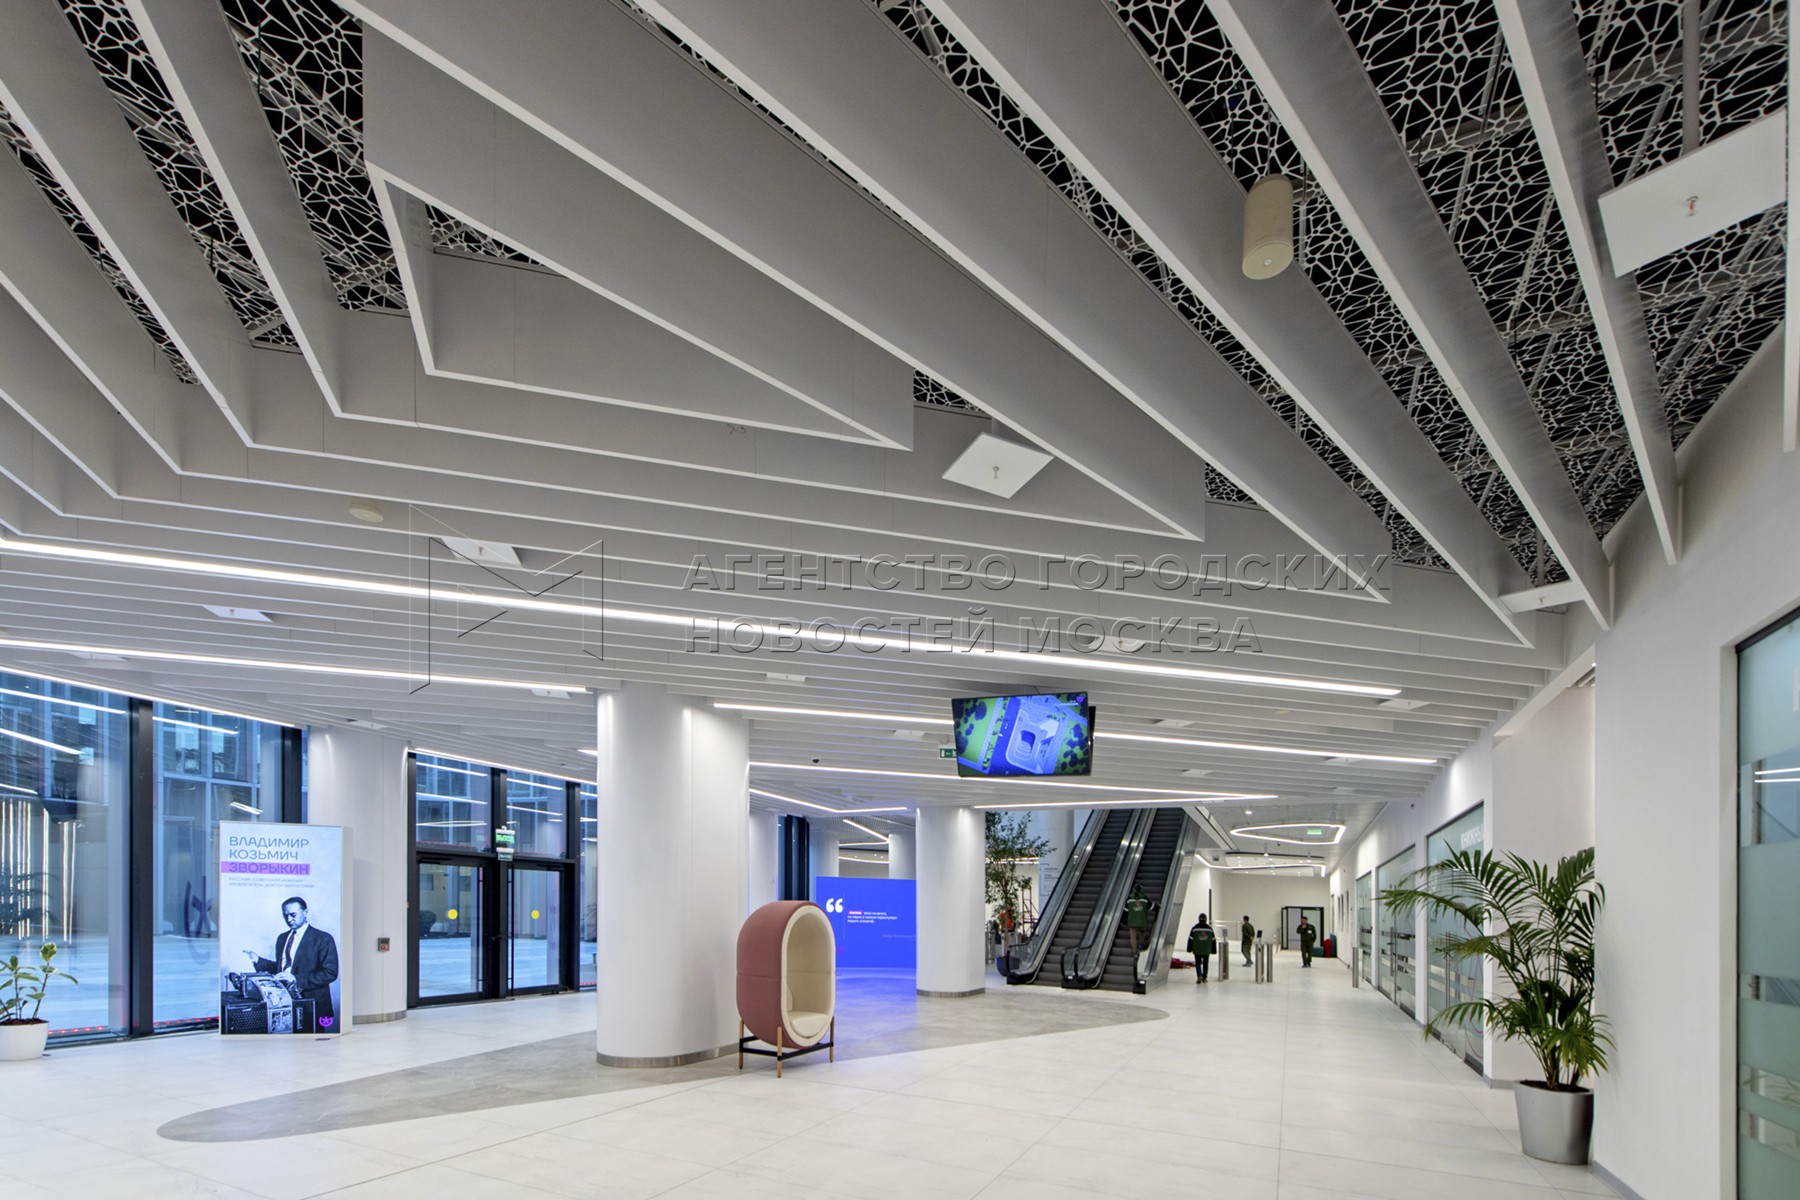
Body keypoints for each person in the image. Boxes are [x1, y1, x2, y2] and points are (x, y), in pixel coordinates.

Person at [243, 895, 339, 1032]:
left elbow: (330, 973)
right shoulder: (282, 938)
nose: (288, 919)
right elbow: (282, 970)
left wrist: (296, 979)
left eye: (293, 915)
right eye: (285, 915)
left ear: (305, 912)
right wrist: (258, 961)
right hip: (284, 1004)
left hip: (313, 1006)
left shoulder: (323, 939)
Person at [1187, 914, 1216, 983]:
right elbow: (1213, 940)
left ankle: (1199, 975)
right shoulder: (1210, 929)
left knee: (1198, 963)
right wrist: (1213, 950)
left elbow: (1190, 939)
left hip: (1197, 949)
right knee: (1205, 964)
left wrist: (1189, 949)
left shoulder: (1194, 928)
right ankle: (1204, 977)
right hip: (1206, 950)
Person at [1124, 886, 1151, 958]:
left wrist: (1125, 921)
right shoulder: (1144, 899)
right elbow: (1151, 907)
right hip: (1142, 921)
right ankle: (1141, 944)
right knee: (1142, 931)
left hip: (1132, 922)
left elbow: (1126, 911)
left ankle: (1135, 952)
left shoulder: (1129, 899)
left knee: (1133, 937)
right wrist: (1158, 907)